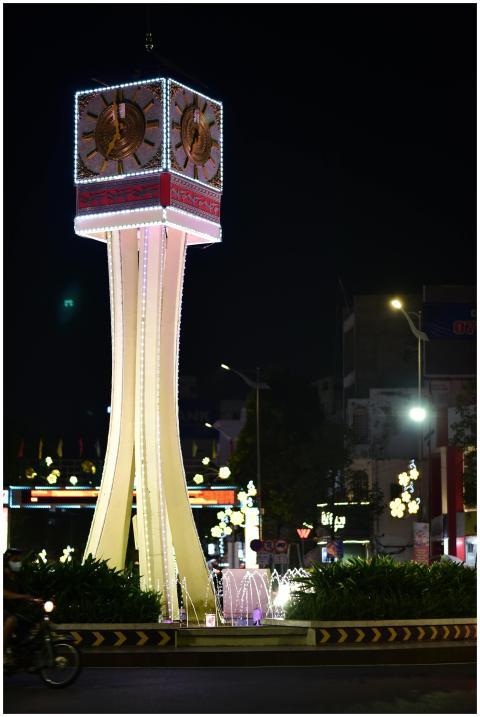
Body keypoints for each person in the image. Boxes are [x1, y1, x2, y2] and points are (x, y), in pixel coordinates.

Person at [3, 548, 42, 661]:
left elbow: (27, 591)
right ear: (7, 561)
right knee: (11, 620)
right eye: (15, 560)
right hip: (4, 610)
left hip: (13, 610)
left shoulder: (17, 577)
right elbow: (5, 594)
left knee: (31, 619)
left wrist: (38, 599)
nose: (18, 563)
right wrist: (23, 597)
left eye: (19, 560)